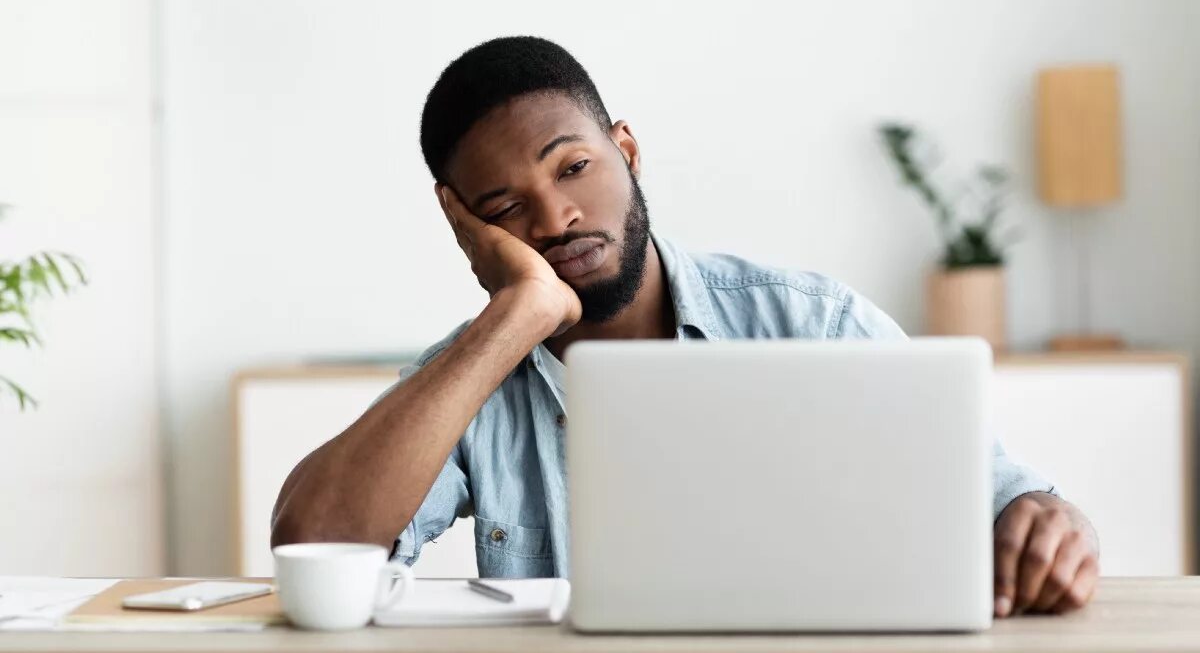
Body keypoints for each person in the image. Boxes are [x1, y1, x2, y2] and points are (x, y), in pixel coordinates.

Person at [270, 36, 1099, 618]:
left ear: (626, 149)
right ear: (468, 231)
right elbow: (312, 540)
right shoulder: (472, 376)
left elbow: (1010, 501)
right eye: (503, 208)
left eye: (574, 167)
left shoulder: (810, 322)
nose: (557, 217)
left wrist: (1052, 526)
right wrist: (514, 317)